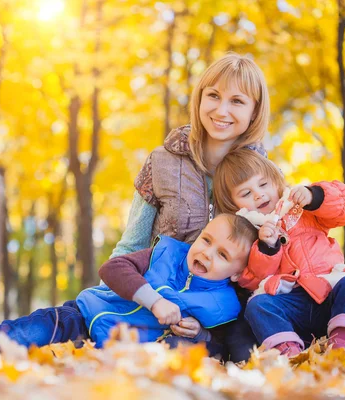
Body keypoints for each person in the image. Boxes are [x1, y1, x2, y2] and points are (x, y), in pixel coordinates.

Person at [110, 52, 270, 361]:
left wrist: (208, 323)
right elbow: (132, 244)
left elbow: (265, 265)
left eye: (237, 101)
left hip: (218, 320)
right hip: (151, 301)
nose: (221, 110)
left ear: (254, 112)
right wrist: (110, 293)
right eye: (213, 95)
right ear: (199, 99)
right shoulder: (162, 161)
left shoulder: (263, 179)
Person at [0, 214, 258, 353]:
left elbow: (225, 347)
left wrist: (201, 334)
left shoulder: (225, 305)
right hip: (82, 317)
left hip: (120, 350)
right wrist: (154, 300)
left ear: (235, 273)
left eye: (222, 254)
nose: (206, 252)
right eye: (206, 240)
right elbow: (113, 268)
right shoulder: (165, 254)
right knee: (25, 334)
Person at [213, 148, 345, 357]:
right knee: (257, 306)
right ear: (233, 205)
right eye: (246, 193)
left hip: (328, 291)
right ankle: (289, 352)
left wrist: (315, 196)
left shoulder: (302, 209)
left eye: (263, 184)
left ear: (275, 182)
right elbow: (251, 280)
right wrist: (267, 247)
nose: (259, 194)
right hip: (290, 305)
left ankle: (342, 344)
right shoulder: (250, 233)